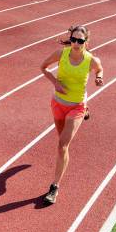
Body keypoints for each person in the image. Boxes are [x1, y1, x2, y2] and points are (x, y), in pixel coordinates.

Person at [40, 25, 104, 205]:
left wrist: (99, 77)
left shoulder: (91, 60)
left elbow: (99, 70)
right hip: (58, 103)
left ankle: (54, 187)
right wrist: (55, 83)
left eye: (80, 41)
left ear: (86, 42)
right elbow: (43, 67)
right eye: (73, 39)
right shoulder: (61, 54)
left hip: (76, 106)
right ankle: (86, 107)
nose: (76, 43)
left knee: (62, 145)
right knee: (62, 141)